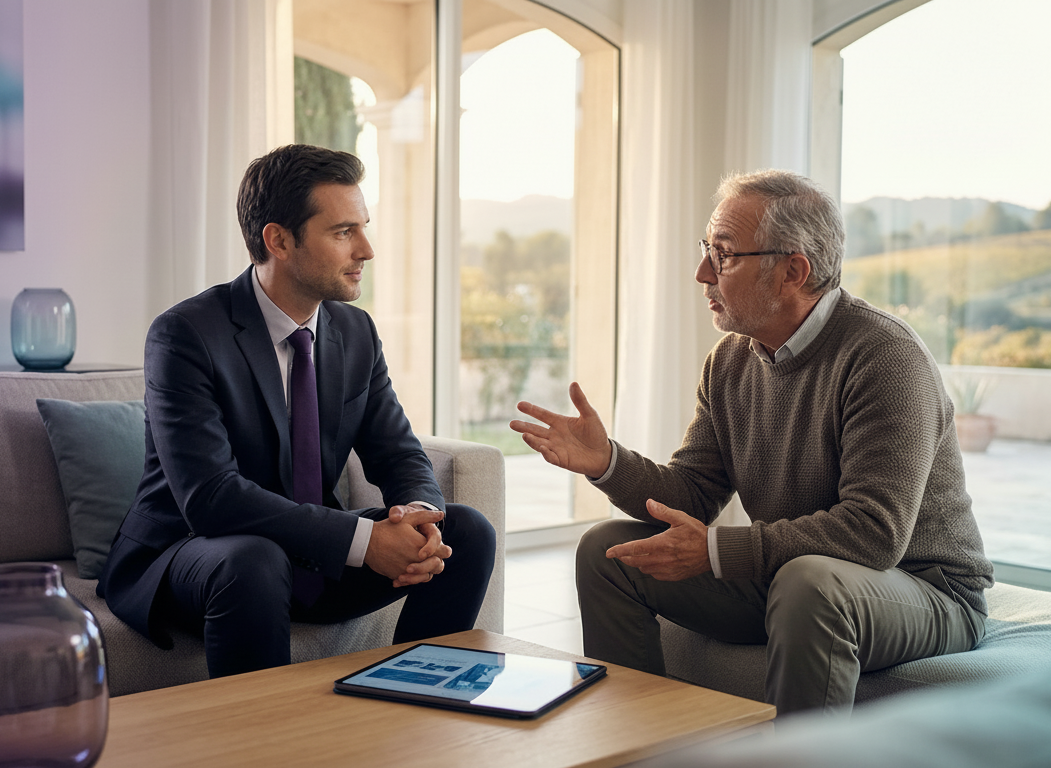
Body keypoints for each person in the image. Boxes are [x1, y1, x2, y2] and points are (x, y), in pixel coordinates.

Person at [510, 169, 993, 715]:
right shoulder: (731, 360)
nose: (701, 274)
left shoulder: (884, 357)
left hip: (921, 587)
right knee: (606, 551)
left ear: (793, 271)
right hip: (791, 577)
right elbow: (692, 493)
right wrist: (607, 463)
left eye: (724, 255)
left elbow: (873, 533)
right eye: (705, 251)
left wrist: (717, 551)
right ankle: (640, 751)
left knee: (810, 584)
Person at [99, 144, 495, 677]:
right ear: (278, 240)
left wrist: (417, 514)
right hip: (194, 554)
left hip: (308, 557)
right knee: (253, 560)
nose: (367, 250)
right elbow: (210, 498)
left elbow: (397, 451)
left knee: (465, 532)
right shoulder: (186, 335)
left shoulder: (355, 333)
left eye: (363, 227)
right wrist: (363, 541)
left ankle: (413, 705)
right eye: (342, 232)